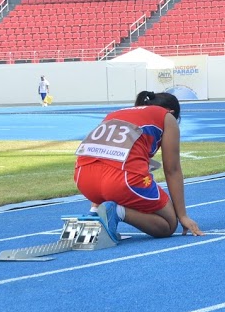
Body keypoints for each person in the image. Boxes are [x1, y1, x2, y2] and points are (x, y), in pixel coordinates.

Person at [74, 91, 204, 240]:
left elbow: (101, 156)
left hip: (83, 179)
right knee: (169, 224)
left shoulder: (115, 114)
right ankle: (118, 211)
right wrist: (182, 215)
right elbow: (172, 170)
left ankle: (94, 213)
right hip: (122, 181)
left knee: (109, 177)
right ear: (171, 112)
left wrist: (96, 206)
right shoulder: (166, 116)